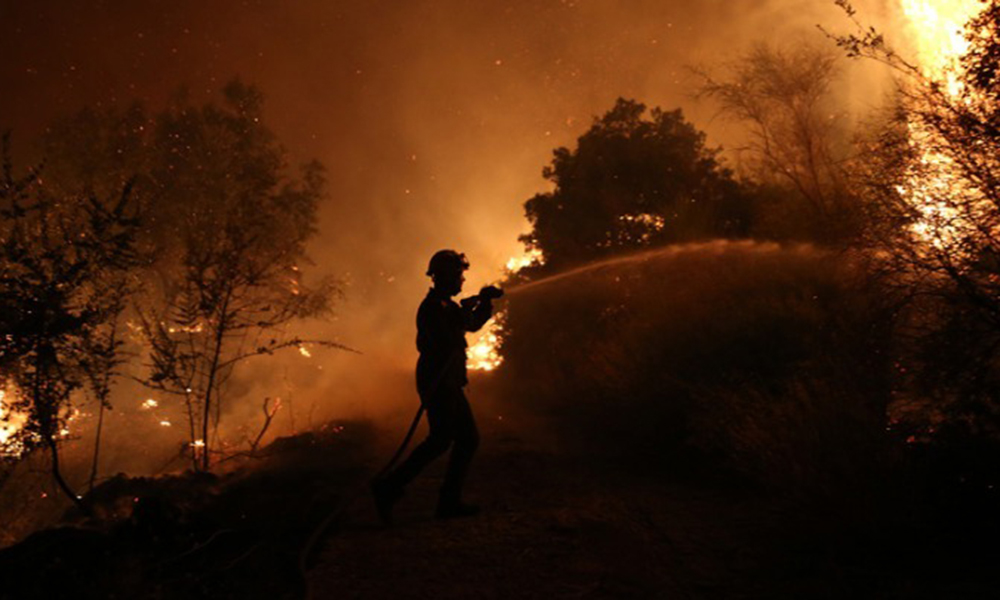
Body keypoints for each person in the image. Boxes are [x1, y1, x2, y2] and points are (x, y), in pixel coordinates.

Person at [371, 249, 501, 523]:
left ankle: (441, 500)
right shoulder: (432, 307)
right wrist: (463, 313)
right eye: (458, 275)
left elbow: (472, 325)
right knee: (445, 439)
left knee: (462, 439)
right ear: (443, 276)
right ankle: (392, 488)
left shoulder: (447, 306)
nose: (462, 281)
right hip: (438, 380)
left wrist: (485, 303)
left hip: (448, 380)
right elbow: (445, 341)